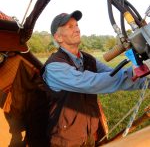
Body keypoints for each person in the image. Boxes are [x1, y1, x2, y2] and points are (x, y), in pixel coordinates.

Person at [42, 10, 146, 147]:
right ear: (58, 37)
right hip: (65, 139)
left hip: (90, 134)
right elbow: (91, 82)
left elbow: (113, 74)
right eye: (70, 27)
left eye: (77, 25)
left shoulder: (87, 59)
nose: (77, 29)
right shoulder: (55, 66)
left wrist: (145, 79)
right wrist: (133, 72)